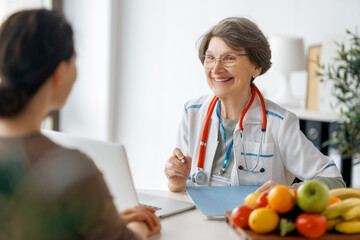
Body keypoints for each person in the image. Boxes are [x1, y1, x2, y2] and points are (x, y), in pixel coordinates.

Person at [0, 9, 160, 240]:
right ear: (60, 73)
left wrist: (106, 220)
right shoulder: (70, 169)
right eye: (75, 62)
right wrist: (140, 225)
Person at [164, 17, 345, 193]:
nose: (216, 69)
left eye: (229, 58)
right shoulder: (192, 113)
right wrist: (177, 182)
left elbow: (335, 181)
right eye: (210, 58)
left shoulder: (280, 123)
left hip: (255, 222)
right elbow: (183, 187)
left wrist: (291, 192)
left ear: (256, 67)